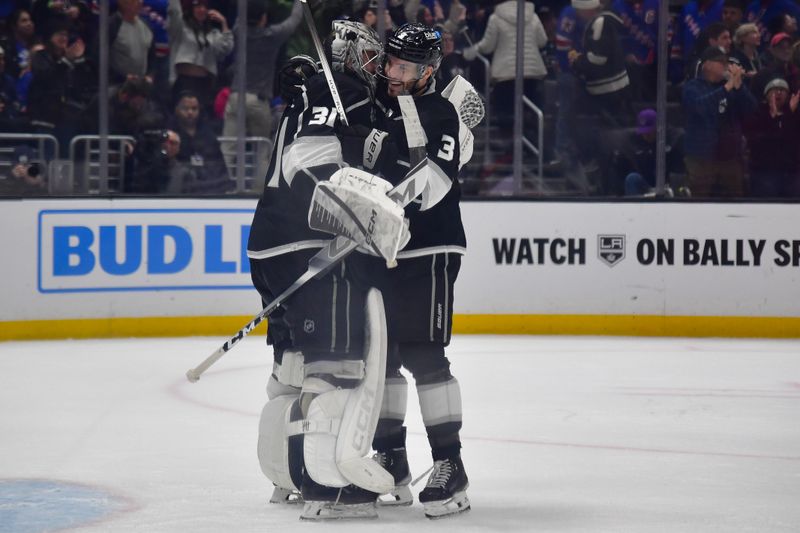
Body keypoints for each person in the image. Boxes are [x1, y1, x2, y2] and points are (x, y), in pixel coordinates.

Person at [247, 21, 391, 521]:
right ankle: (329, 487)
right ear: (353, 56)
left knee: (291, 367)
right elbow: (310, 159)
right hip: (309, 246)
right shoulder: (341, 86)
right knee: (334, 368)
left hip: (267, 244)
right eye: (372, 55)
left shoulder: (308, 88)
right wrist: (357, 201)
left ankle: (287, 475)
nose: (378, 67)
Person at [367, 22, 471, 520]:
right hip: (383, 250)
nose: (393, 73)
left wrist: (383, 203)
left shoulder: (439, 111)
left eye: (404, 67)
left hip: (429, 247)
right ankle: (391, 460)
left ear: (428, 71)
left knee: (425, 356)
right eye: (390, 63)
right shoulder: (379, 110)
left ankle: (451, 466)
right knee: (382, 359)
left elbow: (433, 181)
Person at [220, 0, 302, 169]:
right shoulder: (272, 36)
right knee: (262, 150)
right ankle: (258, 190)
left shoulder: (238, 32)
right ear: (263, 18)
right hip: (259, 101)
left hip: (236, 98)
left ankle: (225, 185)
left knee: (228, 147)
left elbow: (240, 16)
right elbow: (293, 20)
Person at [682, 46, 757, 197]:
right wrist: (727, 87)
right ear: (707, 65)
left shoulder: (732, 87)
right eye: (720, 62)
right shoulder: (692, 87)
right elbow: (701, 107)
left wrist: (739, 86)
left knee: (735, 199)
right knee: (699, 200)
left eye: (727, 62)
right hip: (701, 157)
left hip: (729, 157)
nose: (726, 66)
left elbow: (752, 110)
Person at [462, 0, 548, 130]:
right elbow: (542, 41)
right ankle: (529, 146)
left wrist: (474, 49)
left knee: (507, 115)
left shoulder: (496, 17)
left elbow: (488, 46)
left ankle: (511, 147)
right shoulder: (533, 15)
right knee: (529, 113)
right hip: (532, 72)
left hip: (505, 74)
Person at [167, 0, 233, 113]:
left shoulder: (212, 33)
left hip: (204, 84)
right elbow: (174, 12)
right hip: (184, 81)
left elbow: (226, 48)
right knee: (182, 114)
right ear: (191, 9)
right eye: (198, 6)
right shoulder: (180, 27)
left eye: (204, 7)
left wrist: (223, 22)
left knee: (202, 117)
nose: (202, 10)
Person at [743, 76, 800, 196]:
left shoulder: (794, 115)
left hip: (790, 172)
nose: (778, 93)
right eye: (774, 90)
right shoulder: (757, 113)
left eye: (782, 90)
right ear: (766, 94)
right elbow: (759, 141)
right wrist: (772, 118)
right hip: (764, 172)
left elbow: (790, 138)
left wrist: (788, 114)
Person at [167, 91, 232, 193]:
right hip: (181, 187)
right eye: (185, 108)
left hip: (208, 185)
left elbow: (218, 163)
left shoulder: (208, 134)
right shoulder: (170, 133)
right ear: (177, 110)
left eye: (194, 109)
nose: (190, 112)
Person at [109, 0, 156, 86]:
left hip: (141, 86)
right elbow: (98, 57)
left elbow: (152, 56)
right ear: (122, 2)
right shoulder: (111, 25)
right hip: (117, 86)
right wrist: (121, 77)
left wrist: (150, 75)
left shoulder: (146, 25)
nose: (140, 2)